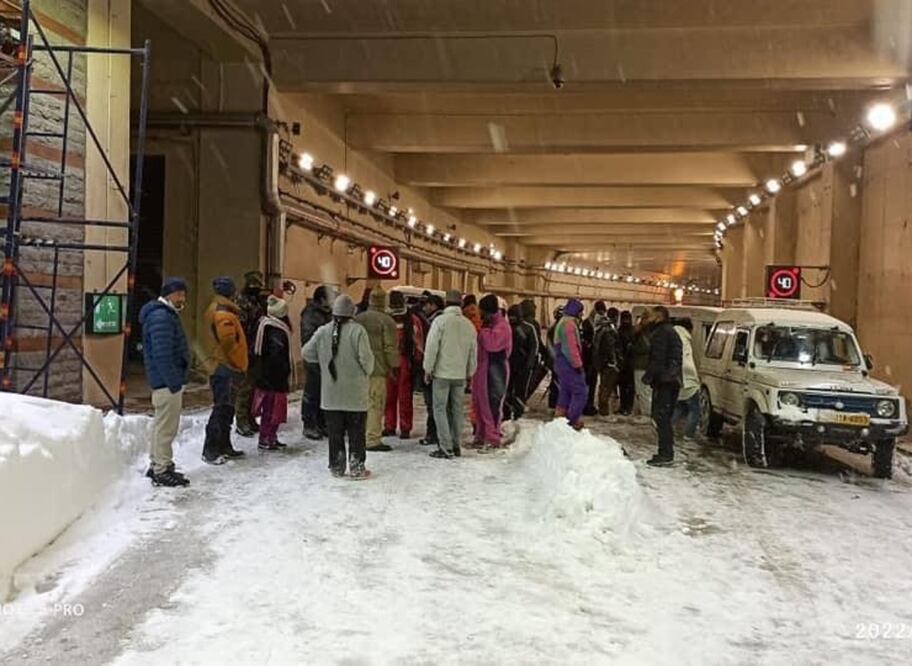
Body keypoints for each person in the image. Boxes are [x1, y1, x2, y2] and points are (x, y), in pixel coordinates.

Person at [302, 294, 375, 479]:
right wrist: (365, 371)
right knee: (356, 433)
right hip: (355, 395)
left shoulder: (323, 331)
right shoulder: (358, 331)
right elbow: (367, 361)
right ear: (351, 313)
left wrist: (322, 362)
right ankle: (357, 467)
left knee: (335, 433)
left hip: (331, 394)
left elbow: (306, 352)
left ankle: (336, 466)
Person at [139, 277, 191, 487]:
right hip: (167, 383)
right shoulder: (161, 317)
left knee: (161, 425)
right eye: (180, 294)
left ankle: (157, 464)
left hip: (165, 381)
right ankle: (162, 469)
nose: (182, 299)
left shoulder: (164, 314)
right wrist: (174, 381)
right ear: (169, 294)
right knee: (166, 428)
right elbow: (162, 354)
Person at [423, 289, 478, 459]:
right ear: (461, 304)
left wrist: (428, 369)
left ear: (446, 303)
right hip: (460, 375)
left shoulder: (440, 322)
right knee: (457, 410)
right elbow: (473, 352)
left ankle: (445, 447)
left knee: (440, 409)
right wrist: (470, 372)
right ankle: (456, 444)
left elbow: (432, 347)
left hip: (442, 373)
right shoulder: (468, 325)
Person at [202, 276, 248, 465]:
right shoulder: (224, 315)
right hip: (225, 367)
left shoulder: (220, 310)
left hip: (222, 366)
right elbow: (229, 343)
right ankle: (211, 449)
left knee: (227, 408)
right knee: (222, 408)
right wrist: (238, 363)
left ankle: (224, 444)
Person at [355, 287, 399, 452]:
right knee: (375, 404)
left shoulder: (358, 319)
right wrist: (394, 366)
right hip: (377, 369)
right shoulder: (387, 321)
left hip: (358, 370)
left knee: (360, 404)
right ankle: (372, 439)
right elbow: (389, 347)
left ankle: (358, 435)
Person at [251, 295, 294, 451]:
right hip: (273, 377)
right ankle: (266, 438)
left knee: (271, 410)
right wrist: (284, 371)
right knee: (271, 410)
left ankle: (269, 437)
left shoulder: (267, 325)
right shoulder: (275, 329)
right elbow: (276, 355)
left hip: (267, 375)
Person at [471, 294, 513, 448]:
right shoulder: (492, 324)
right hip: (483, 370)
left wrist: (483, 331)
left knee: (491, 406)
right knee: (480, 405)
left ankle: (492, 438)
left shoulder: (501, 326)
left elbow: (492, 345)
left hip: (495, 371)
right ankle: (481, 435)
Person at [643, 306, 683, 466]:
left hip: (665, 381)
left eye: (652, 315)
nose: (649, 318)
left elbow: (657, 358)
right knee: (663, 417)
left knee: (661, 417)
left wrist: (648, 377)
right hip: (671, 380)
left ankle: (665, 453)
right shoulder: (669, 331)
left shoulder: (661, 333)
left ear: (659, 316)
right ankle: (666, 452)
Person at [385, 290, 423, 439]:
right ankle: (397, 426)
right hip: (401, 361)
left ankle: (395, 426)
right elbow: (419, 343)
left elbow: (418, 343)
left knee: (401, 396)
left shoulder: (408, 320)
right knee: (393, 396)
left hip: (399, 361)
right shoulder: (412, 320)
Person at [235, 270, 269, 437]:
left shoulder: (257, 301)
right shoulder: (242, 301)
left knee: (253, 386)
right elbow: (242, 327)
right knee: (245, 387)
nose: (257, 288)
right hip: (246, 348)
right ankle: (241, 420)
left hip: (257, 347)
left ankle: (249, 417)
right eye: (254, 284)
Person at [300, 285, 334, 440]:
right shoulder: (311, 314)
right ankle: (309, 424)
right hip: (313, 358)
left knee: (324, 391)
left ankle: (322, 422)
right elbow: (309, 337)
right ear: (322, 299)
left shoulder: (328, 313)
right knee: (312, 391)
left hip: (327, 358)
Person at [553, 298, 588, 430]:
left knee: (566, 392)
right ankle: (571, 421)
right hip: (568, 363)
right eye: (581, 312)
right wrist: (578, 365)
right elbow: (570, 348)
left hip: (561, 363)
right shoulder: (569, 324)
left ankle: (560, 419)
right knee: (580, 392)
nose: (582, 314)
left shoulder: (563, 322)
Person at [418, 294, 445, 446]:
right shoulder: (438, 320)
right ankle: (438, 434)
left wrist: (427, 368)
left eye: (427, 304)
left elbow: (431, 347)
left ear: (434, 305)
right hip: (444, 368)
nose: (424, 308)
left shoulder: (435, 322)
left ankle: (433, 434)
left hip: (434, 368)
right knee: (439, 404)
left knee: (433, 404)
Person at [505, 304, 537, 420]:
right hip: (508, 364)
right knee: (507, 390)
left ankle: (518, 412)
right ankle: (506, 412)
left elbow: (534, 347)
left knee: (521, 390)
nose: (512, 318)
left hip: (523, 365)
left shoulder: (528, 328)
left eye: (513, 316)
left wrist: (529, 363)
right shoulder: (506, 327)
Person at [673, 319, 701, 442]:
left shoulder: (673, 336)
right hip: (687, 380)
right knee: (695, 409)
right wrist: (694, 378)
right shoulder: (684, 339)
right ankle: (689, 434)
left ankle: (667, 426)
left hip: (677, 379)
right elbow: (687, 363)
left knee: (681, 406)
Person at [593, 306, 621, 415]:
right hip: (608, 363)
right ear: (615, 317)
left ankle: (603, 409)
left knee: (603, 386)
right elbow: (611, 347)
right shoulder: (609, 330)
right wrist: (614, 362)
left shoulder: (600, 327)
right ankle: (604, 411)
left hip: (602, 362)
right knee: (606, 387)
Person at [520, 298, 548, 398]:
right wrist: (546, 354)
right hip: (530, 358)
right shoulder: (532, 325)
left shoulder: (520, 323)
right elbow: (537, 343)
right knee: (528, 382)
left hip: (520, 357)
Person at [580, 301, 603, 416]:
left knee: (592, 382)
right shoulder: (587, 323)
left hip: (593, 359)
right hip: (587, 358)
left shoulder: (598, 323)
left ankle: (589, 404)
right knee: (587, 382)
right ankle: (585, 405)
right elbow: (584, 340)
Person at [631, 312, 654, 416]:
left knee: (643, 390)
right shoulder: (652, 331)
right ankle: (645, 411)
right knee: (645, 390)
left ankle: (646, 413)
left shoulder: (644, 332)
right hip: (647, 364)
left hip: (642, 365)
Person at [617, 310, 636, 415]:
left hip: (627, 363)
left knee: (627, 387)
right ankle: (625, 406)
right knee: (625, 386)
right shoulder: (630, 331)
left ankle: (626, 406)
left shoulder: (622, 331)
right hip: (626, 363)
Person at [546, 305, 564, 410]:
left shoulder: (554, 327)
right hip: (558, 359)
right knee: (557, 383)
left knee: (556, 382)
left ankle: (554, 404)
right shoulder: (558, 328)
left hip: (556, 359)